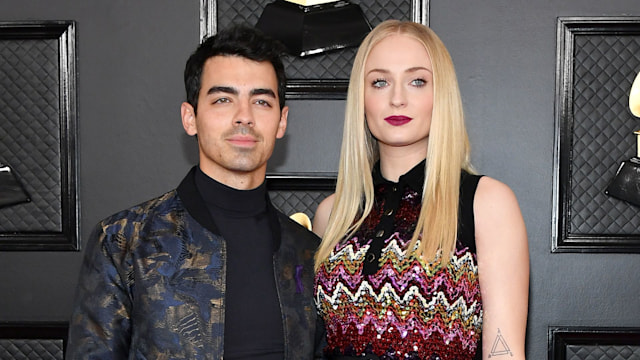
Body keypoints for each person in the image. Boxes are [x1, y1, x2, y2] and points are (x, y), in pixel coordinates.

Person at [67, 25, 322, 359]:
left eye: (261, 101)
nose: (244, 116)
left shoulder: (308, 252)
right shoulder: (124, 242)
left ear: (281, 121)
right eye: (223, 99)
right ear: (191, 118)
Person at [312, 20, 529, 360]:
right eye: (380, 82)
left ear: (439, 93)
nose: (397, 99)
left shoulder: (486, 202)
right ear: (362, 97)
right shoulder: (333, 214)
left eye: (417, 81)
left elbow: (505, 353)